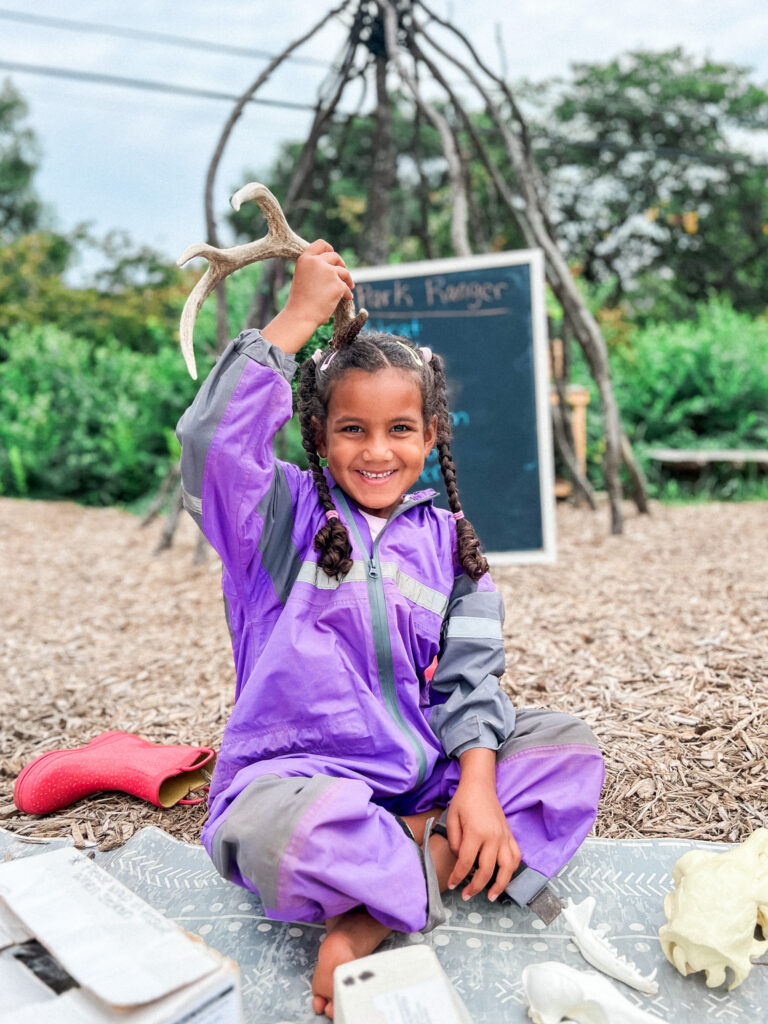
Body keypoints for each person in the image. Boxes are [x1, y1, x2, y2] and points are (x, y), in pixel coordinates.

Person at [177, 240, 604, 1019]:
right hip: (301, 778)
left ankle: (375, 900)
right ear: (319, 433)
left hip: (425, 776)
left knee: (566, 752)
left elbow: (472, 678)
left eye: (400, 429)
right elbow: (211, 448)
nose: (377, 452)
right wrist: (298, 317)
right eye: (352, 430)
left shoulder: (453, 547)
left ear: (433, 433)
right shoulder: (277, 519)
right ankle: (423, 861)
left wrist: (476, 782)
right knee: (268, 835)